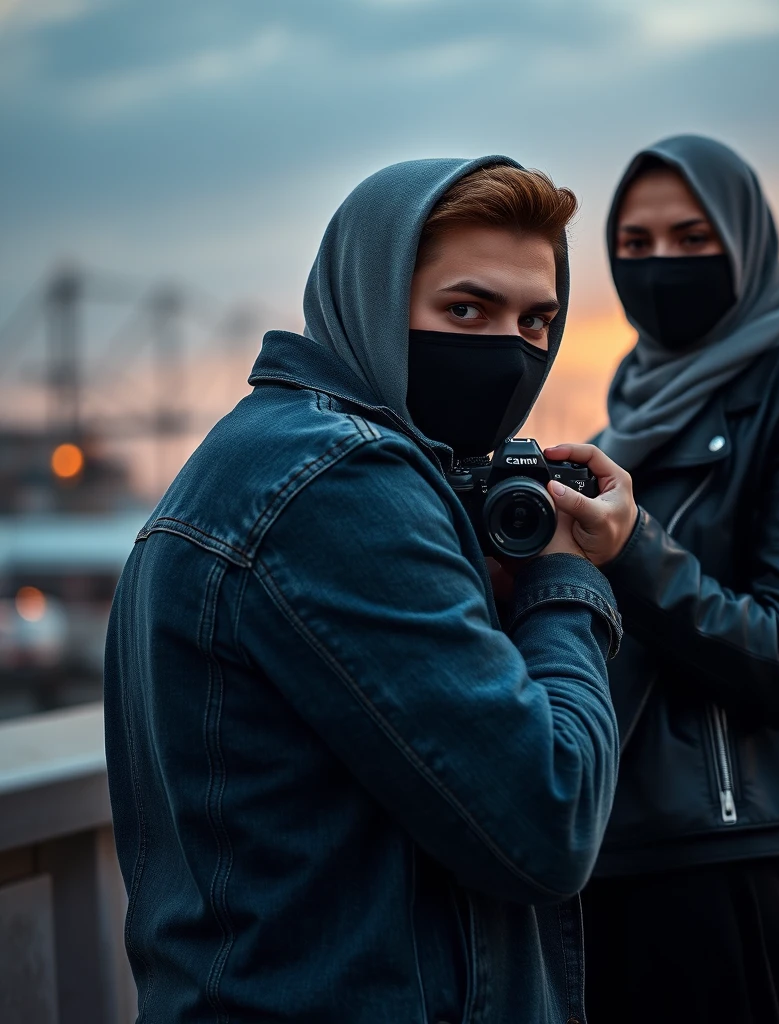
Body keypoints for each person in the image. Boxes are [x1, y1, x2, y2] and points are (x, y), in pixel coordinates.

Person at [103, 157, 626, 1023]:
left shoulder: (267, 456)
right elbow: (548, 819)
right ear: (374, 298)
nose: (511, 351)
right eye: (466, 309)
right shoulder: (342, 486)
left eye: (537, 321)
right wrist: (565, 580)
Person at [541, 136, 779, 1022]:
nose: (661, 264)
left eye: (692, 237)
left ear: (744, 245)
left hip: (715, 868)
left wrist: (630, 549)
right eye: (634, 245)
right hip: (588, 856)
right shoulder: (620, 427)